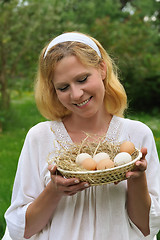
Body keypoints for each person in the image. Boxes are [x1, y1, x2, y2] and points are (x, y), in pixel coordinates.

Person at [4, 32, 160, 240]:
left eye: (82, 79)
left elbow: (147, 228)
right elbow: (21, 230)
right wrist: (54, 190)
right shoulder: (41, 137)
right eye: (63, 87)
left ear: (102, 69)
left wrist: (137, 179)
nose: (76, 94)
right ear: (53, 91)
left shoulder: (136, 135)